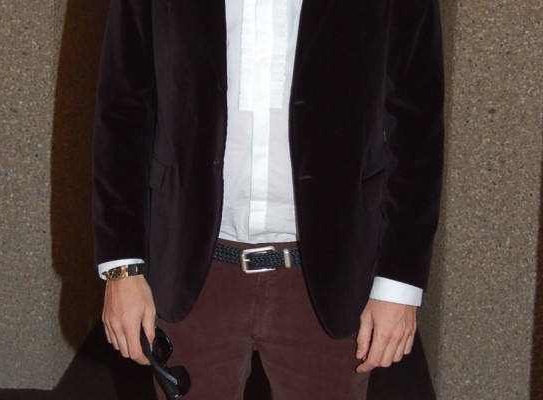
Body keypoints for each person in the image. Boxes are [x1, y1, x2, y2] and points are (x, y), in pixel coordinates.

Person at [92, 0, 444, 398]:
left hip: (332, 274)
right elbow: (124, 109)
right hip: (192, 271)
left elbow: (416, 125)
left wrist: (398, 283)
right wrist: (122, 268)